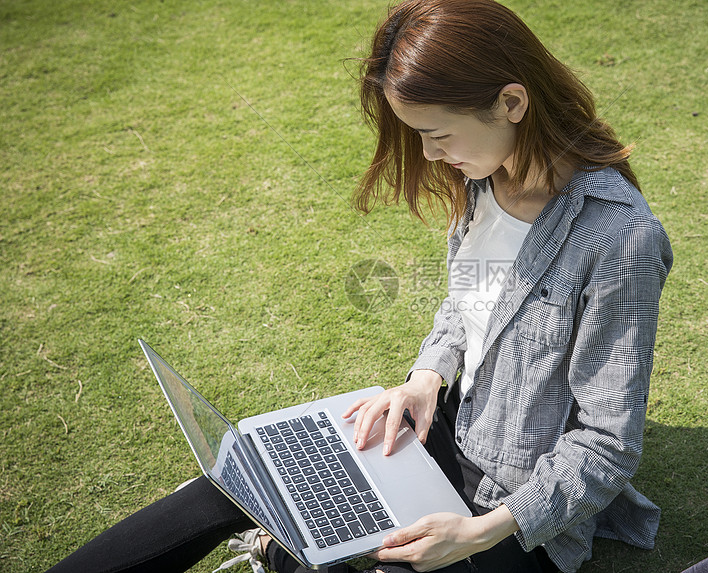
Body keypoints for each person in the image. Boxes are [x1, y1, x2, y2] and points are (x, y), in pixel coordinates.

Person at [46, 1, 672, 572]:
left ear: (511, 103)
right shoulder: (485, 173)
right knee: (242, 473)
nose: (428, 156)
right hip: (448, 432)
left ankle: (282, 546)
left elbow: (607, 445)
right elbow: (470, 300)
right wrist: (427, 377)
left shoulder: (623, 239)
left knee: (378, 567)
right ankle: (285, 528)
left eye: (438, 134)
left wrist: (478, 532)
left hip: (512, 510)